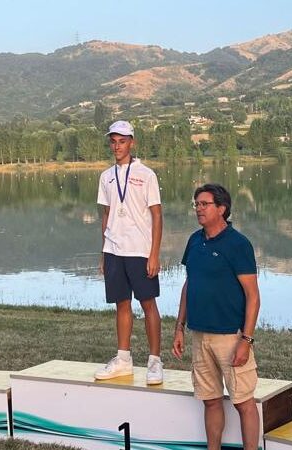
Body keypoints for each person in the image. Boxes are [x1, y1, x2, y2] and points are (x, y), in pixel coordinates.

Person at [172, 184, 261, 450]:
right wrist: (179, 328)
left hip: (230, 336)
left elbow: (253, 296)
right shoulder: (194, 241)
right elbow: (189, 284)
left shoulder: (238, 245)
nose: (198, 209)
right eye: (196, 204)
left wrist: (246, 340)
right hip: (200, 335)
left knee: (243, 401)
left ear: (221, 209)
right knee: (210, 399)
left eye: (204, 204)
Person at [95, 120, 164, 385]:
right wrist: (103, 252)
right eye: (113, 141)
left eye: (122, 141)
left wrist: (154, 254)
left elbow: (157, 216)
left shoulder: (146, 174)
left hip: (139, 249)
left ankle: (155, 361)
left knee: (148, 304)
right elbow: (106, 214)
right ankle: (123, 360)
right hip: (114, 250)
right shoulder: (106, 176)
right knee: (121, 304)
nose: (116, 146)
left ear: (131, 142)